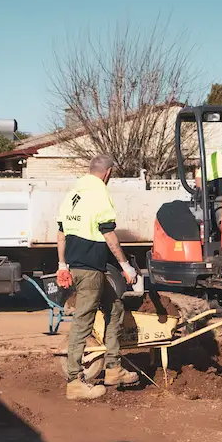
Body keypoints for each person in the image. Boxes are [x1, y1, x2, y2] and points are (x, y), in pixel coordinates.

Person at [56, 154, 140, 400]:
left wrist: (62, 264)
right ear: (108, 173)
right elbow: (109, 235)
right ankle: (74, 381)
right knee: (83, 322)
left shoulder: (73, 194)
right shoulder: (100, 193)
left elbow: (61, 233)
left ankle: (113, 369)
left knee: (114, 307)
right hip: (90, 270)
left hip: (77, 266)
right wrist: (126, 266)